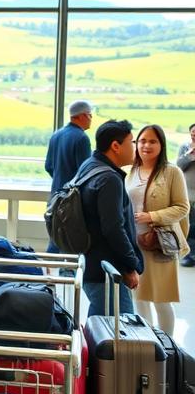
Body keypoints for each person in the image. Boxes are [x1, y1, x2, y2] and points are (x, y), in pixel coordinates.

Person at [71, 119, 143, 317]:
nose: (135, 148)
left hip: (90, 262)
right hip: (107, 271)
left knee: (100, 325)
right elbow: (113, 228)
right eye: (132, 142)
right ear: (115, 146)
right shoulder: (109, 179)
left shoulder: (90, 165)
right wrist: (130, 266)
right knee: (119, 331)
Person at [126, 124, 189, 336]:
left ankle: (167, 346)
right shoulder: (131, 171)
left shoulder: (172, 172)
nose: (146, 145)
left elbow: (182, 207)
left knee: (161, 299)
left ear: (161, 145)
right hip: (135, 244)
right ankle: (148, 341)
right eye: (142, 141)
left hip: (160, 244)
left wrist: (152, 216)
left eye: (153, 141)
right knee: (139, 296)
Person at [45, 100, 93, 195]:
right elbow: (85, 172)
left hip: (56, 195)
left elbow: (48, 166)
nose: (91, 119)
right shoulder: (81, 138)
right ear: (83, 116)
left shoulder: (56, 134)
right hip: (72, 200)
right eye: (90, 115)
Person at [175, 122, 195, 267]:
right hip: (187, 194)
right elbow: (179, 165)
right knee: (188, 226)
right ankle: (188, 255)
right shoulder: (185, 147)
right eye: (192, 131)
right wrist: (190, 155)